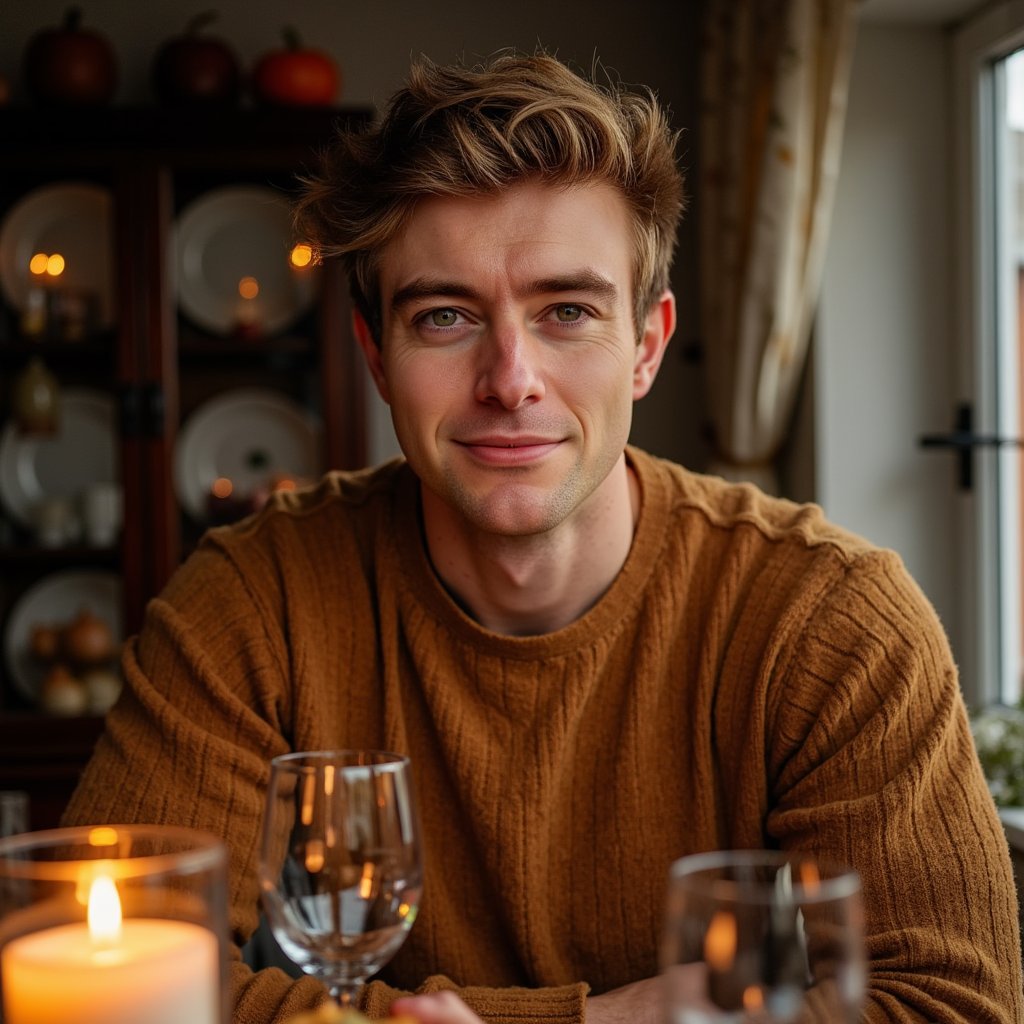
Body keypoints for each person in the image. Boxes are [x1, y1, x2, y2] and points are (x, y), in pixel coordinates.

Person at [62, 51, 1023, 1024]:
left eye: (567, 310)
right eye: (444, 316)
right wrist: (613, 1017)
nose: (509, 377)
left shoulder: (829, 617)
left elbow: (952, 1002)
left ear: (645, 345)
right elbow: (117, 963)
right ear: (375, 357)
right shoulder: (251, 599)